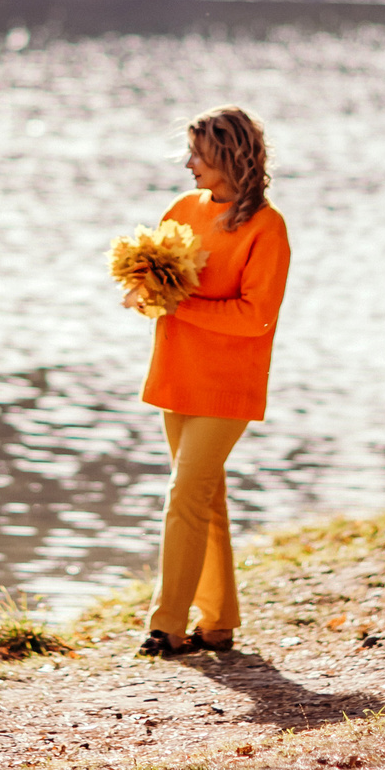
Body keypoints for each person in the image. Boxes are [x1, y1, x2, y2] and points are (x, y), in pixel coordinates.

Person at [124, 105, 291, 657]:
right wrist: (145, 287)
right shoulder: (182, 209)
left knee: (184, 495)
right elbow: (159, 290)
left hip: (227, 385)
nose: (188, 162)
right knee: (205, 498)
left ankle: (166, 625)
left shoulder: (267, 228)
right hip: (178, 373)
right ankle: (218, 623)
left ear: (227, 156)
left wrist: (183, 302)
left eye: (197, 152)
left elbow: (257, 316)